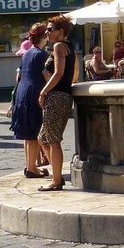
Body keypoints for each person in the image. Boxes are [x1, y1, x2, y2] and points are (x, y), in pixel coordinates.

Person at [38, 15, 79, 191]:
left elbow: (58, 73)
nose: (47, 31)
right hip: (64, 95)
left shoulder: (59, 46)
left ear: (61, 32)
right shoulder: (68, 47)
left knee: (53, 140)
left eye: (51, 29)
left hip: (57, 96)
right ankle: (57, 175)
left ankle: (56, 180)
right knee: (43, 138)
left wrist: (44, 91)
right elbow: (74, 72)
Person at [11, 23, 50, 178]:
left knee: (28, 135)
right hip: (34, 92)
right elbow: (47, 75)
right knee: (34, 133)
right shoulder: (42, 55)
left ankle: (30, 166)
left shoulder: (27, 53)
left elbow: (20, 75)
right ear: (44, 37)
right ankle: (33, 168)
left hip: (22, 92)